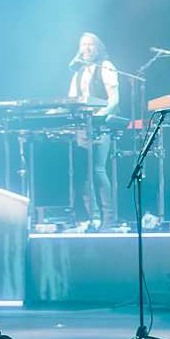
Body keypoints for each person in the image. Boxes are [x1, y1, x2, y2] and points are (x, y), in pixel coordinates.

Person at [68, 32, 119, 230]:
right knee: (83, 173)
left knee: (98, 169)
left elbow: (114, 99)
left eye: (91, 44)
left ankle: (109, 218)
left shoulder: (106, 66)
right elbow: (72, 100)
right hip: (83, 126)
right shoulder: (78, 72)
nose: (87, 48)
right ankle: (94, 218)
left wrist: (100, 115)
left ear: (98, 48)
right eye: (83, 44)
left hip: (101, 125)